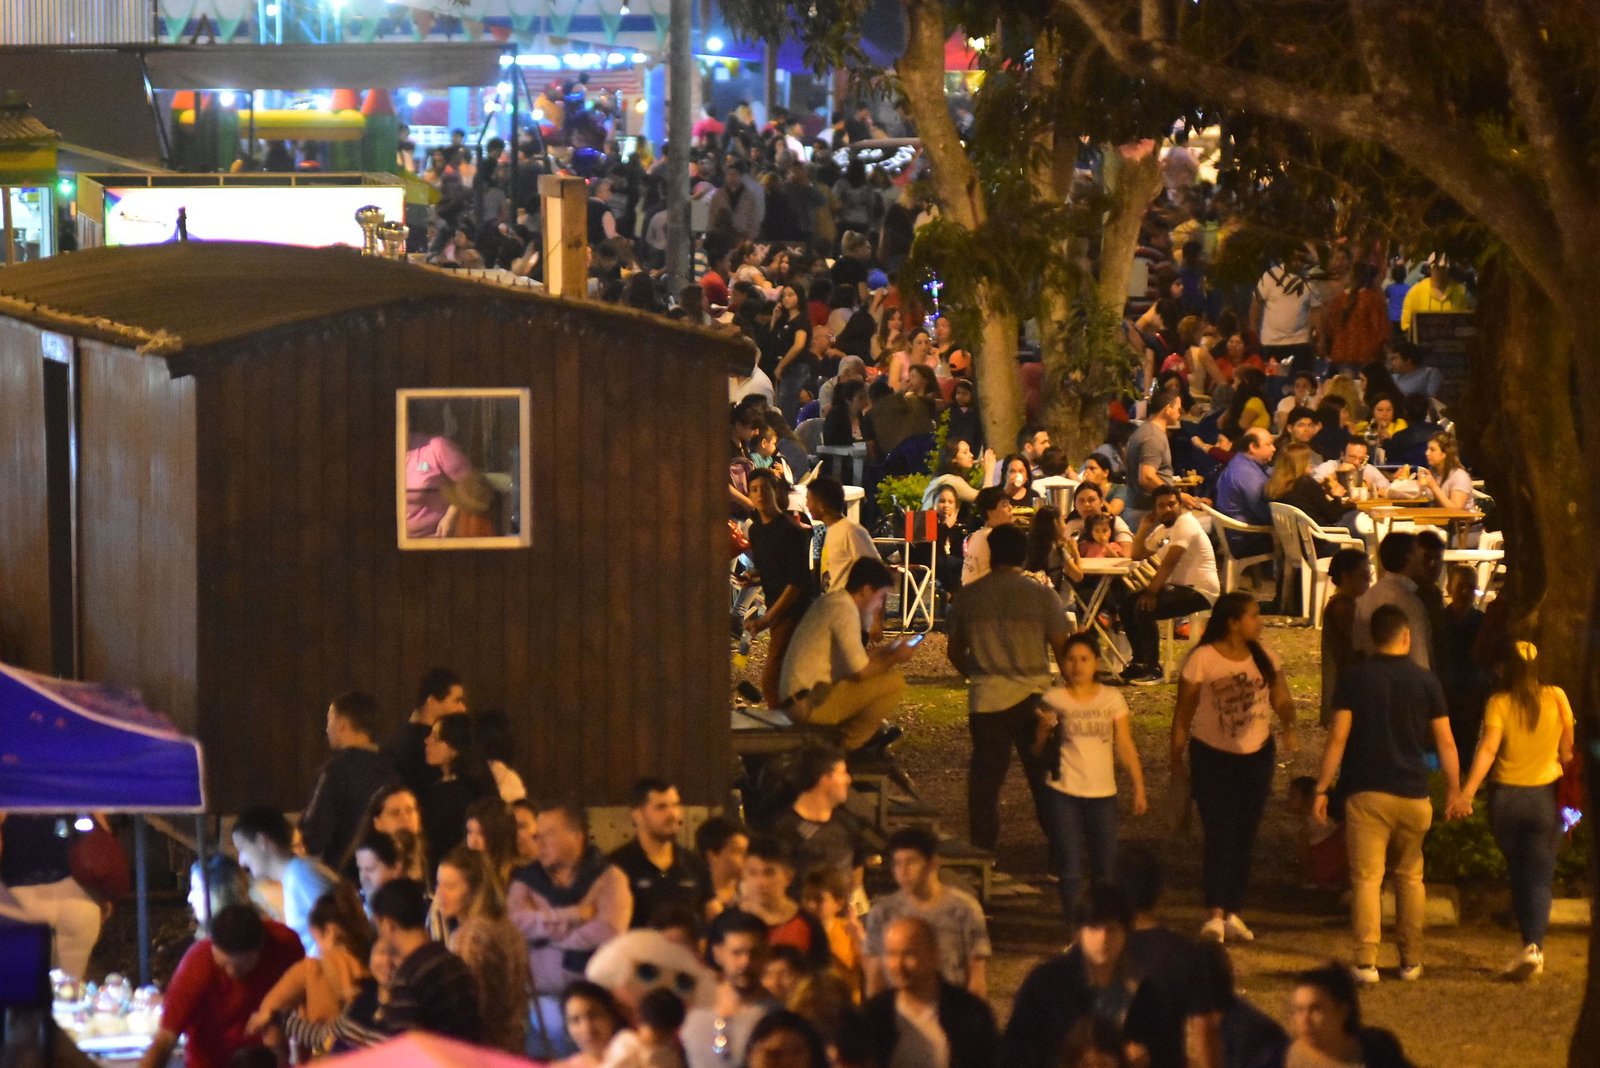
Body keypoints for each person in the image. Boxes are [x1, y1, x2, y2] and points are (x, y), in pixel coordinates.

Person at [1312, 605, 1463, 983]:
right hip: (1413, 793)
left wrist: (1322, 787)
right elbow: (1445, 741)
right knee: (1410, 877)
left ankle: (1366, 961)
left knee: (1367, 879)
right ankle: (1411, 959)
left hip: (1367, 793)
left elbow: (1338, 737)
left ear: (1373, 638)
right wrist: (1454, 790)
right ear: (1406, 637)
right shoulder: (1426, 681)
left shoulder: (1354, 679)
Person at [1170, 593, 1297, 944]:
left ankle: (1233, 910)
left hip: (1257, 754)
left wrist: (1288, 723)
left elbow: (1282, 698)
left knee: (1245, 833)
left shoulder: (1265, 656)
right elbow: (1183, 712)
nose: (1260, 622)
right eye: (1253, 616)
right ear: (1233, 622)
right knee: (1219, 832)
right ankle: (1214, 911)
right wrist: (1176, 759)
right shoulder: (1203, 659)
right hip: (1212, 755)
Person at [947, 524, 1074, 858]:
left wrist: (978, 673)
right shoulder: (1042, 595)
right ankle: (1061, 857)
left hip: (987, 700)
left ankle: (983, 855)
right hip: (1035, 698)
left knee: (985, 785)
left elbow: (954, 651)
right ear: (1024, 555)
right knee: (1046, 780)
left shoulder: (969, 596)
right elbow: (1062, 650)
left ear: (991, 553)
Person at [1450, 640, 1575, 980]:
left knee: (1519, 870)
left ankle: (1528, 944)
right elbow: (1567, 753)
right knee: (1540, 875)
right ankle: (1534, 945)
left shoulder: (1499, 702)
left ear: (1505, 668)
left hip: (1506, 799)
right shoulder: (1558, 698)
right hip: (1546, 798)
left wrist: (1466, 793)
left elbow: (1489, 750)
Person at [1003, 885, 1197, 1068]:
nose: (1103, 938)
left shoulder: (1146, 994)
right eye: (1094, 927)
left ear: (1127, 933)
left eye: (1112, 929)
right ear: (1079, 933)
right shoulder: (1046, 984)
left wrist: (1145, 1058)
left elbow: (1171, 1057)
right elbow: (1016, 1050)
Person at [1034, 634, 1148, 919]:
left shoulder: (1111, 698)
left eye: (1084, 659)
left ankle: (1103, 925)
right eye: (1071, 659)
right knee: (1070, 868)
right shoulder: (1054, 699)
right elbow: (1036, 751)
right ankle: (1075, 928)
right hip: (1063, 791)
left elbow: (1124, 743)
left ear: (1096, 662)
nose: (1077, 666)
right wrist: (1043, 731)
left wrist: (1138, 786)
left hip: (1102, 794)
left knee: (1105, 869)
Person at [509, 800, 633, 1057]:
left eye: (549, 834)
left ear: (577, 836)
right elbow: (517, 923)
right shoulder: (526, 880)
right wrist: (574, 915)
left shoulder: (609, 878)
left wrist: (549, 938)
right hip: (541, 1007)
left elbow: (607, 930)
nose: (539, 842)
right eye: (537, 835)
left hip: (594, 1008)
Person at [138, 904, 304, 1068]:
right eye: (224, 965)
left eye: (240, 966)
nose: (231, 972)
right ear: (212, 945)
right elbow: (165, 1039)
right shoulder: (197, 966)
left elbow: (304, 999)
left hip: (267, 1060)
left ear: (261, 947)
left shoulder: (285, 944)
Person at [778, 558, 914, 751]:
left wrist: (888, 649)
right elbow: (860, 671)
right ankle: (846, 746)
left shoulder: (833, 602)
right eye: (880, 597)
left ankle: (854, 739)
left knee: (879, 676)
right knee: (894, 683)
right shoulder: (844, 610)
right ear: (866, 590)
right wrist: (895, 657)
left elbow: (854, 659)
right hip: (808, 704)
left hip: (799, 699)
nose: (878, 605)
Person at [863, 826, 991, 999]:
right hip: (899, 1010)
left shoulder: (964, 910)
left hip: (950, 1008)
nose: (903, 871)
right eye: (897, 863)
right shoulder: (883, 912)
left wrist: (971, 1013)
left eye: (911, 862)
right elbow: (876, 977)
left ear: (933, 863)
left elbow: (976, 975)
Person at [862, 916, 999, 1068]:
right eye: (892, 954)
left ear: (934, 955)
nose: (898, 965)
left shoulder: (969, 1014)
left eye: (909, 954)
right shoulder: (875, 1014)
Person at [434, 845, 532, 1052]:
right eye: (438, 884)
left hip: (483, 1049)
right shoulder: (505, 925)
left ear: (474, 890)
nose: (440, 894)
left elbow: (470, 1005)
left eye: (450, 886)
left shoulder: (473, 936)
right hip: (512, 1045)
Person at [1123, 486, 1220, 685]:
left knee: (1143, 607)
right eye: (1161, 506)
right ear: (1155, 510)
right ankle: (1140, 661)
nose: (1167, 509)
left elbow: (1170, 563)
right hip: (1181, 588)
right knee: (1126, 605)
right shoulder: (1163, 530)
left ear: (1180, 505)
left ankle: (1153, 669)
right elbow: (1137, 554)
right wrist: (1143, 527)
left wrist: (1151, 592)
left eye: (1171, 504)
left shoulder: (1186, 524)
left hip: (1200, 590)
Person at [370, 878, 484, 1041]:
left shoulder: (407, 981)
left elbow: (408, 1050)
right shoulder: (455, 963)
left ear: (388, 925)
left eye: (377, 926)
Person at [300, 691, 399, 872]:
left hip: (345, 872)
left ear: (343, 724)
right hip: (389, 867)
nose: (327, 729)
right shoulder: (393, 766)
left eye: (330, 720)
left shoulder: (335, 771)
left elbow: (314, 835)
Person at [744, 469, 817, 709]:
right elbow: (772, 568)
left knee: (772, 680)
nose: (760, 494)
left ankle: (784, 725)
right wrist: (753, 577)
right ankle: (799, 721)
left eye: (765, 488)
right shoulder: (756, 530)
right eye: (754, 489)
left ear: (775, 490)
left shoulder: (791, 531)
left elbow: (797, 582)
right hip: (777, 611)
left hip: (795, 612)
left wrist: (767, 618)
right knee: (792, 678)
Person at [0, 814, 104, 980]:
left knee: (23, 987)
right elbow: (104, 843)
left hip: (21, 900)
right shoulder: (79, 798)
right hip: (78, 901)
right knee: (70, 987)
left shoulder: (11, 800)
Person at [232, 807, 338, 956]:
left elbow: (337, 932)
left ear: (262, 841)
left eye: (242, 849)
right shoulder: (295, 876)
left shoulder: (302, 875)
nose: (241, 861)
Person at [609, 778, 708, 929]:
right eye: (661, 807)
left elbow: (711, 915)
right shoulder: (617, 866)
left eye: (676, 805)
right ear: (637, 815)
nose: (673, 814)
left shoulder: (694, 864)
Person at [681, 910, 776, 1068]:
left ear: (766, 954)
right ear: (718, 954)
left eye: (755, 953)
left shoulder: (775, 1018)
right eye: (737, 953)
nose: (746, 962)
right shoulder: (692, 1007)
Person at [1284, 964, 1414, 1067]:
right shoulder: (1294, 1057)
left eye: (1316, 1009)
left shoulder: (1378, 1053)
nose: (1304, 1019)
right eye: (1299, 1010)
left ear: (1342, 1011)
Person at [771, 745, 863, 890]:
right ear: (824, 778)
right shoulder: (784, 828)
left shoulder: (847, 823)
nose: (848, 779)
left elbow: (856, 869)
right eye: (843, 773)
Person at [736, 835, 830, 970]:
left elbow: (820, 978)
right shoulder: (728, 923)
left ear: (788, 877)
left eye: (769, 873)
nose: (760, 882)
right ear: (743, 875)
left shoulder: (809, 926)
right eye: (752, 873)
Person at [420, 712, 497, 872]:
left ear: (455, 749)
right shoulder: (472, 785)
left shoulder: (451, 794)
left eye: (436, 738)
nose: (427, 741)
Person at [383, 667, 468, 797]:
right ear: (432, 701)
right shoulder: (418, 743)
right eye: (457, 701)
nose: (462, 708)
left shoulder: (401, 735)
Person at [1352, 533, 1432, 669]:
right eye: (1419, 551)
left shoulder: (1368, 596)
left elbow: (1358, 645)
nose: (1424, 559)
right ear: (1409, 557)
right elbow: (1420, 659)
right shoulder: (1408, 601)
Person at [1319, 549, 1371, 726]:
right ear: (1346, 576)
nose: (1368, 581)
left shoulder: (1349, 604)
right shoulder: (1342, 607)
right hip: (1346, 688)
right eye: (1363, 576)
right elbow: (1355, 645)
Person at [1122, 388, 1185, 526]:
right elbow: (1147, 477)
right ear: (1168, 409)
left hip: (1141, 509)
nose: (1180, 414)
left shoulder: (1145, 431)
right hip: (1146, 512)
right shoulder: (1153, 437)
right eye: (1178, 409)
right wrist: (1175, 495)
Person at [807, 476, 879, 594]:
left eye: (809, 500)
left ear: (821, 506)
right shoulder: (832, 530)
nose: (807, 505)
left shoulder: (851, 531)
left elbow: (876, 570)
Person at [1212, 427, 1275, 559]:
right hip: (1245, 538)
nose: (1273, 448)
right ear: (1253, 447)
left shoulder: (1239, 462)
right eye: (1269, 444)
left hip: (1234, 534)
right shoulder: (1247, 473)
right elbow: (1265, 514)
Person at [364, 784, 430, 883]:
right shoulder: (364, 864)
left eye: (409, 810)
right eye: (395, 813)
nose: (405, 818)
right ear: (377, 823)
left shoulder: (433, 861)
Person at [554, 981, 627, 1068]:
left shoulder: (635, 1053)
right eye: (575, 1020)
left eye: (593, 1016)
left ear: (611, 1017)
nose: (587, 1028)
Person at [695, 816, 749, 922]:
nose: (746, 858)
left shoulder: (751, 891)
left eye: (747, 852)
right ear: (712, 856)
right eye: (738, 851)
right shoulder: (696, 895)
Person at [960, 486, 1015, 586]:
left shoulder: (975, 535)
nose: (1011, 508)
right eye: (1004, 505)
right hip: (984, 591)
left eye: (1009, 504)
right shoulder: (995, 537)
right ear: (990, 512)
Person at [1398, 256, 1469, 332]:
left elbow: (1464, 322)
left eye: (1443, 268)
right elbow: (1406, 325)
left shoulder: (1459, 291)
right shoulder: (1415, 292)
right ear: (1430, 268)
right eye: (1437, 268)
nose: (1440, 272)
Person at [1419, 431, 1473, 510]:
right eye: (1428, 449)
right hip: (1437, 516)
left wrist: (1434, 486)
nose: (1427, 453)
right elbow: (1425, 498)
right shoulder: (1433, 472)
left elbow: (1456, 510)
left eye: (1432, 450)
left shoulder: (1460, 476)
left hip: (1460, 518)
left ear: (1445, 453)